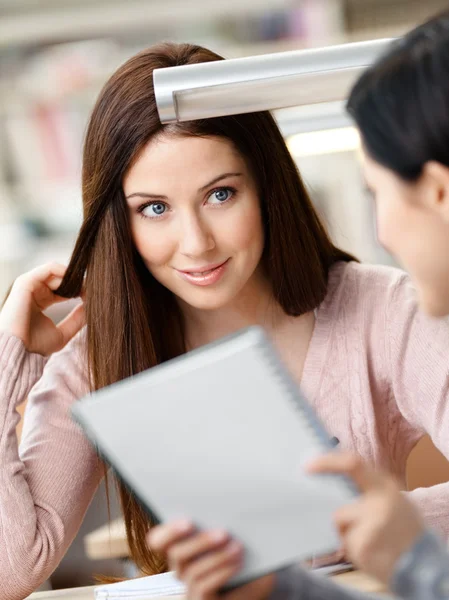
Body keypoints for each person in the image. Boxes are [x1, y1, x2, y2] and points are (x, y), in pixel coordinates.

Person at [2, 40, 449, 600]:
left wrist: (361, 524)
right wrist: (7, 358)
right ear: (121, 222)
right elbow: (11, 569)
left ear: (266, 187)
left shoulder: (382, 310)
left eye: (220, 194)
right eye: (155, 208)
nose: (195, 243)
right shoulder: (99, 354)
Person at [147, 10, 449, 600]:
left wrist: (385, 528)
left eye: (376, 194)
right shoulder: (109, 338)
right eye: (154, 207)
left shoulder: (383, 307)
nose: (381, 231)